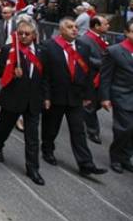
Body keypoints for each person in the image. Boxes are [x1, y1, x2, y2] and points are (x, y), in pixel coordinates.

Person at [40, 18, 107, 176]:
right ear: (61, 30)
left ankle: (86, 164)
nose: (74, 30)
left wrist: (88, 94)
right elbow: (45, 75)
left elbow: (87, 73)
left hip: (76, 97)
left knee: (78, 131)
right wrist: (46, 96)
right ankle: (47, 150)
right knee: (51, 127)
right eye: (70, 27)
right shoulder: (50, 46)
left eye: (76, 27)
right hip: (56, 96)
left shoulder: (82, 47)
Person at [0, 20, 46, 185]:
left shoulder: (42, 51)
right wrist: (12, 72)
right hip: (13, 97)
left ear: (34, 35)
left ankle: (33, 168)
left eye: (27, 34)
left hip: (33, 100)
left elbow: (46, 77)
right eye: (20, 33)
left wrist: (46, 97)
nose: (23, 36)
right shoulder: (9, 50)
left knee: (32, 136)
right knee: (5, 126)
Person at [100, 19, 133, 173]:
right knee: (124, 128)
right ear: (126, 33)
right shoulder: (114, 51)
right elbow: (105, 77)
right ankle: (116, 157)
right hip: (122, 96)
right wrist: (105, 97)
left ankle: (126, 157)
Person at [77, 15, 109, 145]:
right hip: (91, 77)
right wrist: (102, 63)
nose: (108, 26)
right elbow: (84, 58)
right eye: (105, 24)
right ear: (96, 26)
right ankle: (92, 131)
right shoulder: (85, 40)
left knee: (95, 104)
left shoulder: (103, 38)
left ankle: (81, 114)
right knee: (91, 105)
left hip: (102, 77)